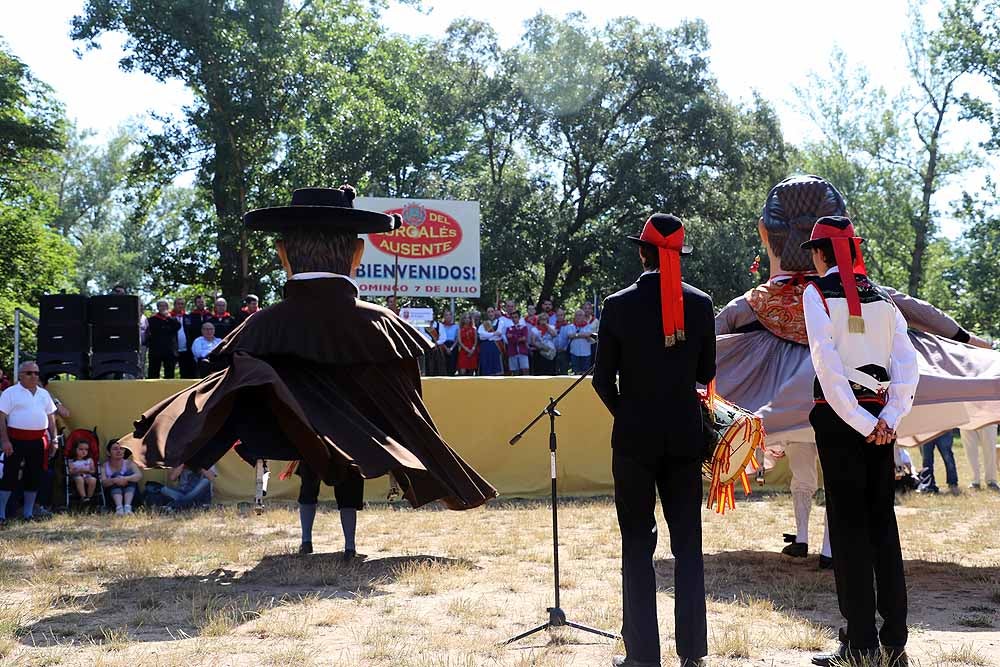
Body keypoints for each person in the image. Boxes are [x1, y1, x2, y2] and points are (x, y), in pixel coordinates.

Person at [119, 185, 497, 557]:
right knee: (340, 476)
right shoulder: (384, 325)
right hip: (360, 439)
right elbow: (406, 401)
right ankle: (345, 545)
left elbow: (232, 385)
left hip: (288, 434)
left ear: (283, 255)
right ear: (359, 254)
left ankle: (309, 541)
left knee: (311, 474)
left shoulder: (261, 326)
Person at [715, 174, 1000, 566]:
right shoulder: (873, 296)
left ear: (766, 235)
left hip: (787, 401)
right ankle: (835, 550)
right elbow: (919, 315)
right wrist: (972, 343)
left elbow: (713, 336)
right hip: (860, 400)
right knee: (846, 479)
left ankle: (806, 538)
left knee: (812, 470)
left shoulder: (757, 303)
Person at [593, 214, 715, 667]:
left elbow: (602, 380)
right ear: (678, 256)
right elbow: (705, 374)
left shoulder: (617, 304)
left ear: (641, 252)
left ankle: (643, 654)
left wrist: (628, 413)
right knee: (687, 546)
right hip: (684, 437)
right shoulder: (701, 305)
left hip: (633, 441)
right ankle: (693, 652)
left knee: (637, 546)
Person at [801, 216, 918, 667]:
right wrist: (887, 417)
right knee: (882, 526)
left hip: (840, 420)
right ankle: (894, 640)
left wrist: (861, 421)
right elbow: (908, 365)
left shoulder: (815, 294)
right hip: (879, 422)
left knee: (849, 528)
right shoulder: (886, 301)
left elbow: (827, 366)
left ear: (820, 253)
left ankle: (861, 644)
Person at [0, 362, 58, 524]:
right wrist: (5, 440)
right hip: (15, 439)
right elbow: (1, 418)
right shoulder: (10, 393)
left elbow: (51, 418)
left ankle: (28, 513)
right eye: (29, 373)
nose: (34, 376)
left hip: (38, 441)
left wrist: (54, 439)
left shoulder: (43, 394)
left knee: (34, 475)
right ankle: (1, 514)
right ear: (20, 375)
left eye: (36, 373)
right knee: (10, 475)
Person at [102, 440, 143, 515]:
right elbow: (103, 483)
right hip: (112, 498)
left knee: (129, 475)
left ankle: (127, 507)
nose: (119, 451)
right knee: (115, 476)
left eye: (121, 449)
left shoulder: (129, 463)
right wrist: (114, 480)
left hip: (130, 495)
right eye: (115, 449)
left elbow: (139, 476)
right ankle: (119, 508)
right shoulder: (104, 466)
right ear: (108, 452)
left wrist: (125, 478)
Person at [147, 299, 181, 379]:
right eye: (161, 306)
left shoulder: (173, 319)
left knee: (169, 374)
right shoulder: (152, 320)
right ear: (158, 308)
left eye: (165, 306)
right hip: (155, 350)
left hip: (169, 351)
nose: (163, 308)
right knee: (153, 373)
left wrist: (168, 317)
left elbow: (178, 326)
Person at [181, 296, 212, 379]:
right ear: (195, 303)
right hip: (194, 344)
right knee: (193, 368)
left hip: (207, 344)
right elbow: (188, 331)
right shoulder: (190, 316)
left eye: (202, 301)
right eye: (198, 302)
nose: (200, 303)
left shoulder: (210, 315)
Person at [961, 424, 999, 490]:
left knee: (990, 450)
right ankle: (975, 481)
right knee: (970, 451)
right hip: (967, 419)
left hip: (988, 418)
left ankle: (991, 481)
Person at [562, 309, 597, 374]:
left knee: (586, 373)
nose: (578, 317)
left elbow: (589, 335)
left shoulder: (588, 326)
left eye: (580, 315)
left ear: (584, 317)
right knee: (576, 372)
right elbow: (570, 335)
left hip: (586, 353)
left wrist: (576, 335)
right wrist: (584, 335)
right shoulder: (570, 326)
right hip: (574, 352)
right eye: (577, 315)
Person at [171, 297, 195, 379]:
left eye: (182, 304)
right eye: (178, 304)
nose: (180, 306)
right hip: (173, 349)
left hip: (186, 349)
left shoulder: (188, 317)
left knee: (187, 372)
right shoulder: (169, 317)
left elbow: (192, 332)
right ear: (174, 305)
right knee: (170, 372)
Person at [503, 310, 531, 376]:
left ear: (519, 318)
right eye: (512, 317)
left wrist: (513, 336)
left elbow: (524, 338)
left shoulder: (524, 327)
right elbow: (509, 339)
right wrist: (519, 337)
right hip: (512, 352)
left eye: (516, 317)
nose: (514, 319)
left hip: (522, 351)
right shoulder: (508, 328)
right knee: (515, 372)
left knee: (525, 370)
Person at [436, 311, 460, 376]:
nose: (448, 316)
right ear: (444, 317)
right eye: (446, 315)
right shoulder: (441, 326)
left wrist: (451, 348)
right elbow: (439, 338)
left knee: (452, 365)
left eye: (450, 315)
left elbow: (457, 339)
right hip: (443, 345)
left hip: (453, 346)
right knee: (443, 364)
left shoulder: (456, 326)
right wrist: (446, 348)